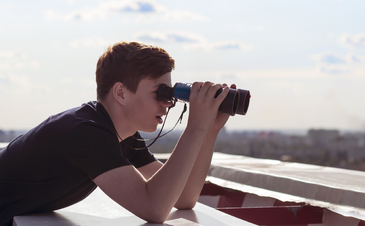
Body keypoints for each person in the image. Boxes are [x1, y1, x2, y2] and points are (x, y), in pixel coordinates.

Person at [0, 41, 234, 225]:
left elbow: (183, 198)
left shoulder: (122, 135)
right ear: (120, 93)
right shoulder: (86, 132)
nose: (168, 103)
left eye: (170, 93)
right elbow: (154, 208)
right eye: (160, 92)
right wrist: (195, 127)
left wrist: (209, 130)